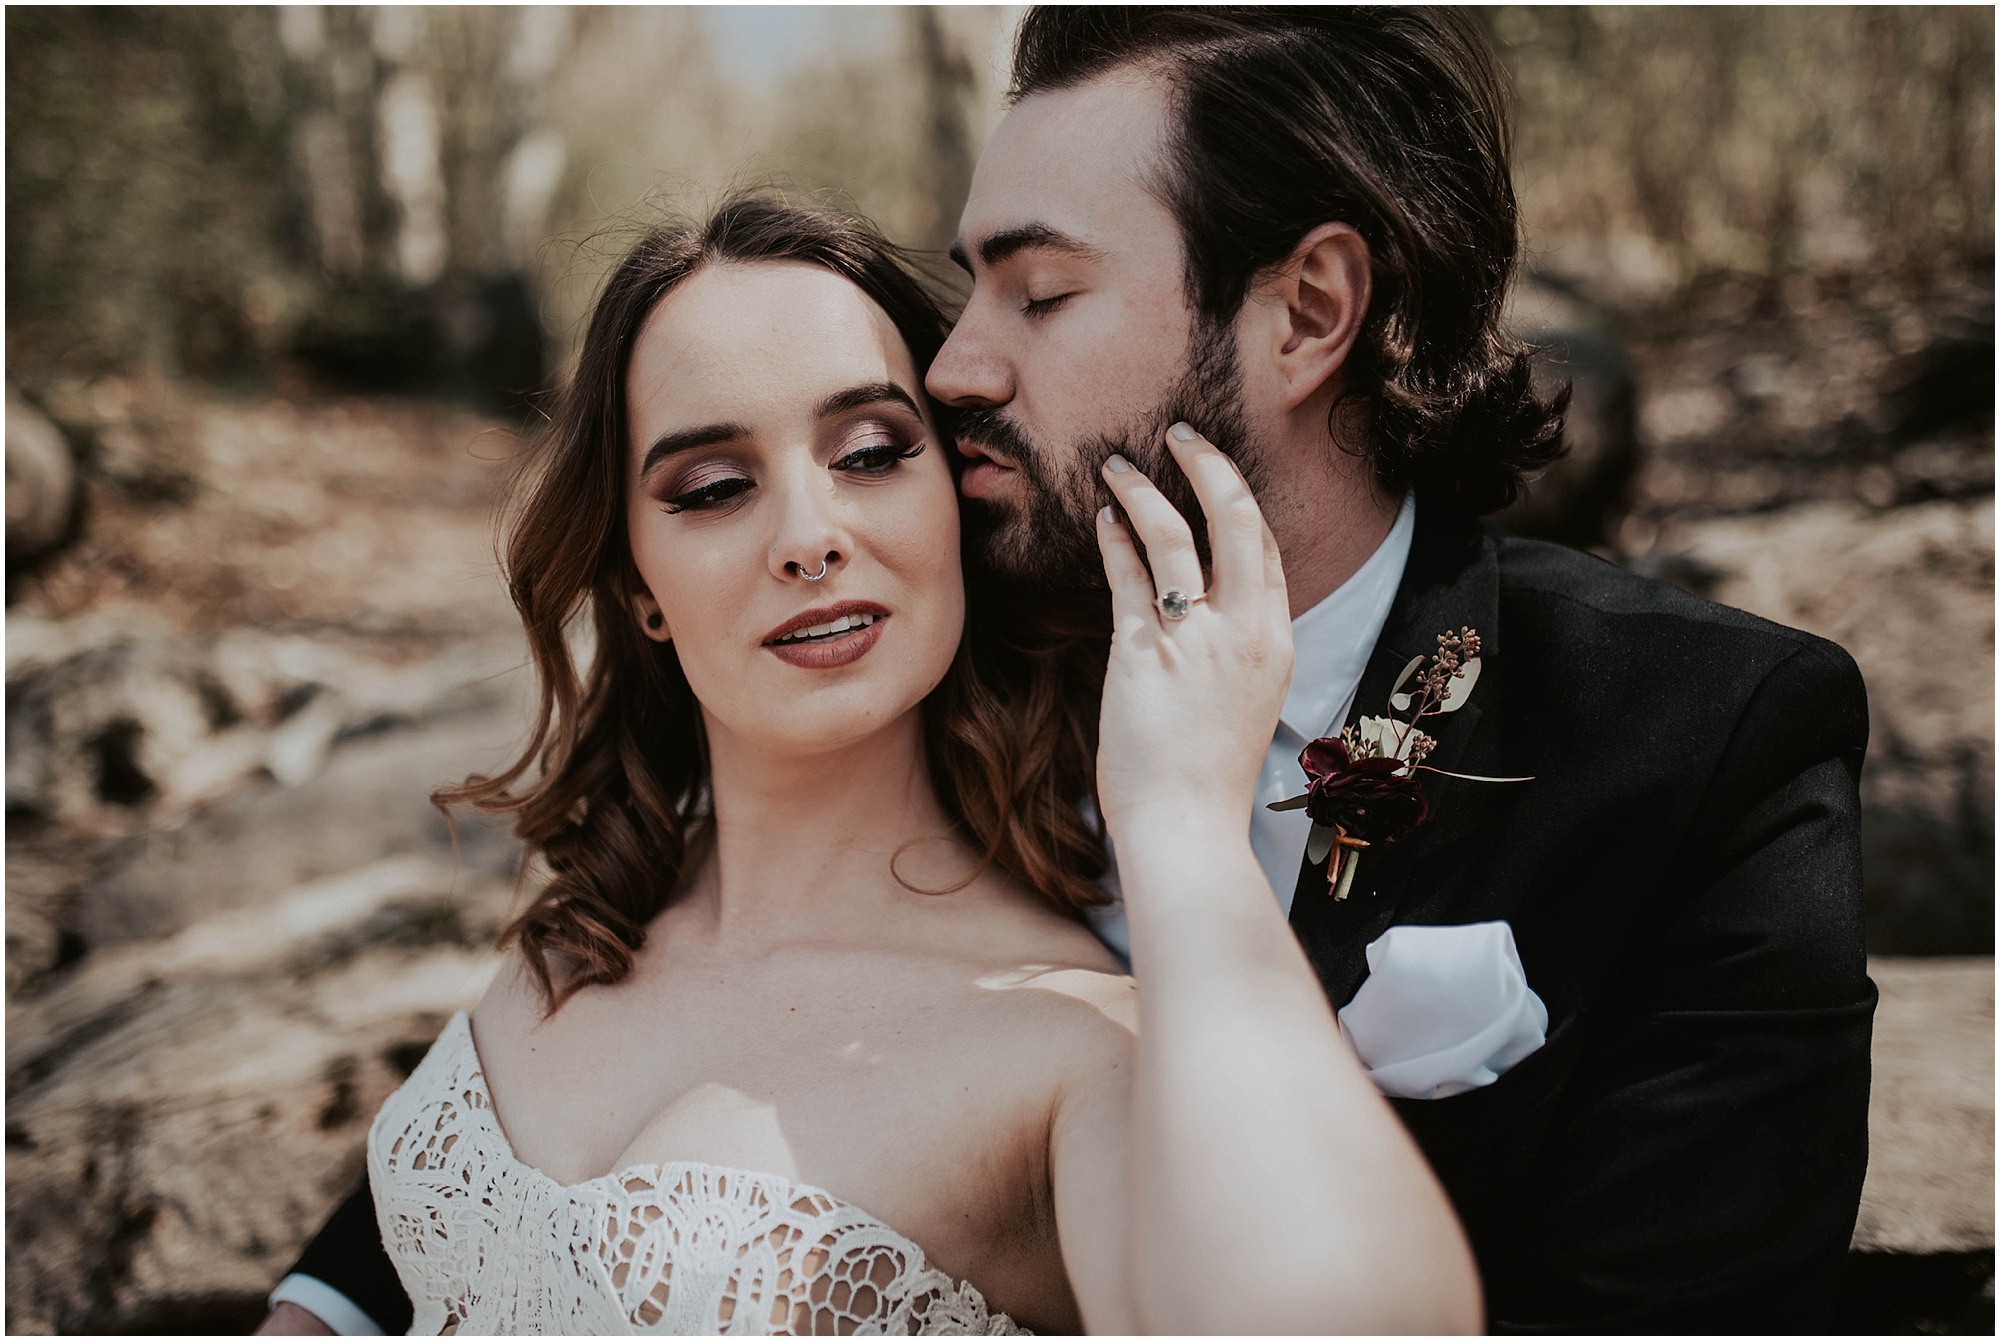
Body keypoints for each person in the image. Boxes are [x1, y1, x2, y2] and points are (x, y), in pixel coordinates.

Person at [269, 7, 1875, 1333]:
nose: (961, 366)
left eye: (1038, 292)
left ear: (1308, 309)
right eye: (968, 289)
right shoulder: (952, 630)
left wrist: (1181, 837)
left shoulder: (1695, 738)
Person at [263, 194, 1478, 1337]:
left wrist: (1184, 832)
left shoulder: (1074, 1051)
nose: (809, 539)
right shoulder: (591, 915)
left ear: (958, 501)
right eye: (716, 486)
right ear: (638, 586)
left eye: (870, 453)